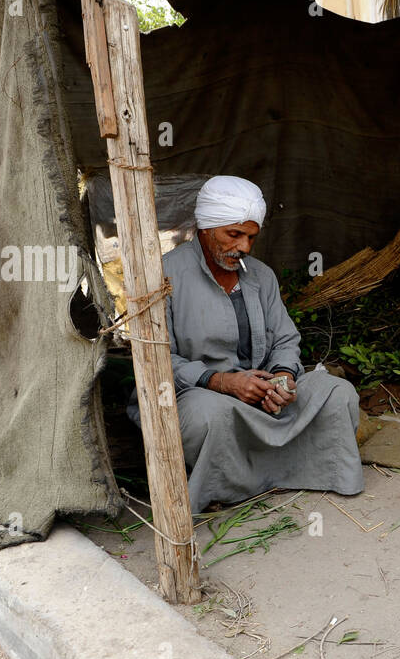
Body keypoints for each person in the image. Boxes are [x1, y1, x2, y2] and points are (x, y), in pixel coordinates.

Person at [130, 175, 363, 512]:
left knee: (337, 392)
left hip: (260, 396)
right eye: (234, 234)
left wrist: (282, 378)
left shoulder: (260, 276)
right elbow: (154, 359)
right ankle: (234, 483)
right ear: (206, 228)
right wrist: (222, 382)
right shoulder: (163, 276)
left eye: (251, 237)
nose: (245, 247)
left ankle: (266, 474)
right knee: (212, 415)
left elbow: (285, 338)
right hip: (197, 394)